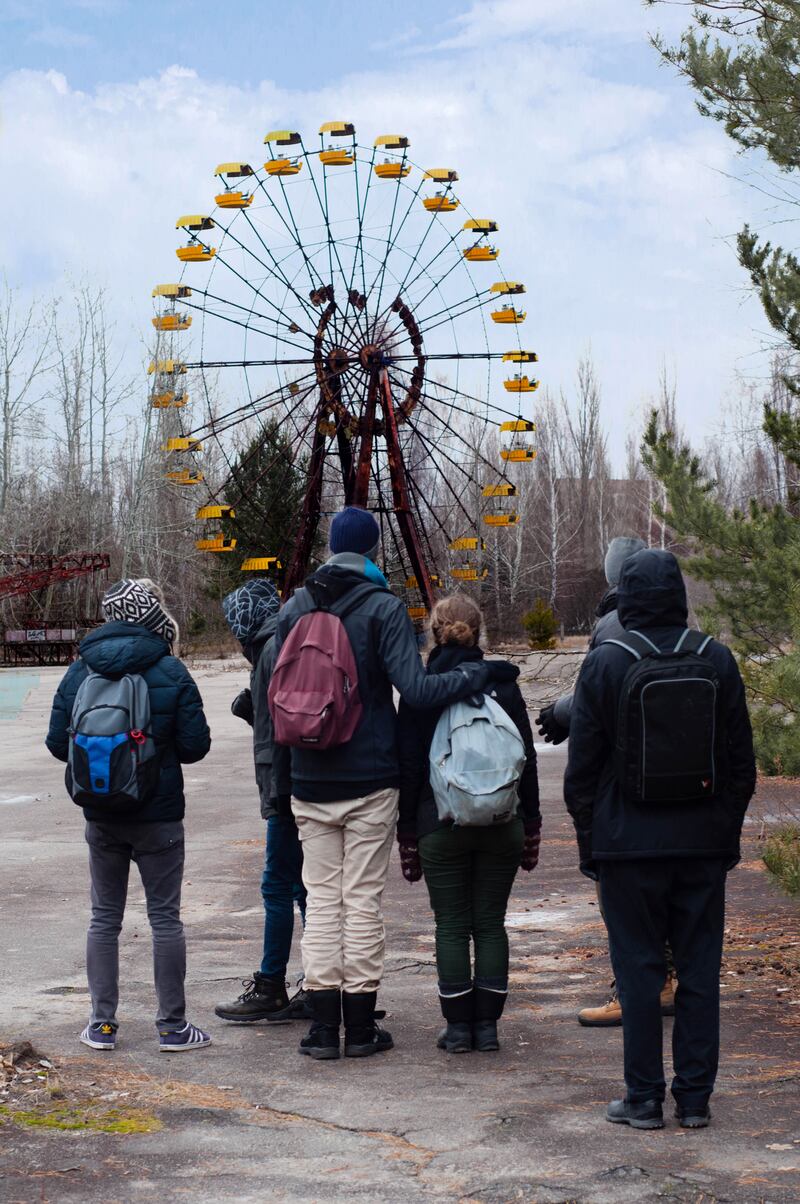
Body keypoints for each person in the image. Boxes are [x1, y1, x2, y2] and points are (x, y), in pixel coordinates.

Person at [271, 506, 493, 1061]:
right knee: (362, 901)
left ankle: (323, 1030)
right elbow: (416, 691)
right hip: (370, 777)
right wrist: (470, 675)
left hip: (307, 777)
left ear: (328, 546)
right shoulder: (382, 608)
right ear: (372, 551)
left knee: (322, 902)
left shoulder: (295, 606)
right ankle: (362, 1027)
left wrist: (278, 784)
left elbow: (272, 696)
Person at [564, 549, 756, 1130]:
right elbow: (741, 766)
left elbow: (582, 772)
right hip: (700, 846)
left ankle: (643, 1099)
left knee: (639, 975)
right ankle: (695, 1101)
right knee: (699, 973)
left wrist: (592, 844)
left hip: (626, 847)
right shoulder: (716, 659)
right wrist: (720, 834)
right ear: (679, 595)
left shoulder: (605, 663)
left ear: (625, 597)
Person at [45, 578, 212, 1053]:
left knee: (104, 918)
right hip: (158, 816)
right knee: (165, 920)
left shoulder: (80, 671)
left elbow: (58, 744)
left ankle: (101, 1026)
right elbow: (196, 747)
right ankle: (173, 1027)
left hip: (101, 814)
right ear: (150, 616)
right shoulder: (172, 669)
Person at [537, 535, 678, 1029]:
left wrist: (558, 713)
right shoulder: (684, 626)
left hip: (624, 781)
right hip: (675, 776)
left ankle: (635, 986)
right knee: (668, 891)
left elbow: (597, 695)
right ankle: (667, 979)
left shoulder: (614, 624)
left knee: (622, 896)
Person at [397, 594, 541, 1053]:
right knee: (491, 923)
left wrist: (407, 834)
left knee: (452, 926)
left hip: (440, 825)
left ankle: (458, 1029)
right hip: (504, 821)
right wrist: (531, 824)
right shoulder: (505, 686)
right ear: (479, 632)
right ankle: (489, 1029)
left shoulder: (421, 688)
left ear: (433, 632)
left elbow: (409, 767)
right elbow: (528, 760)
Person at [214, 579, 311, 1024]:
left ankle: (274, 985)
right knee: (304, 887)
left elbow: (281, 730)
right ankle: (319, 982)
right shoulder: (283, 639)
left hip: (284, 787)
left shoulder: (269, 649)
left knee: (280, 886)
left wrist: (279, 797)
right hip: (297, 784)